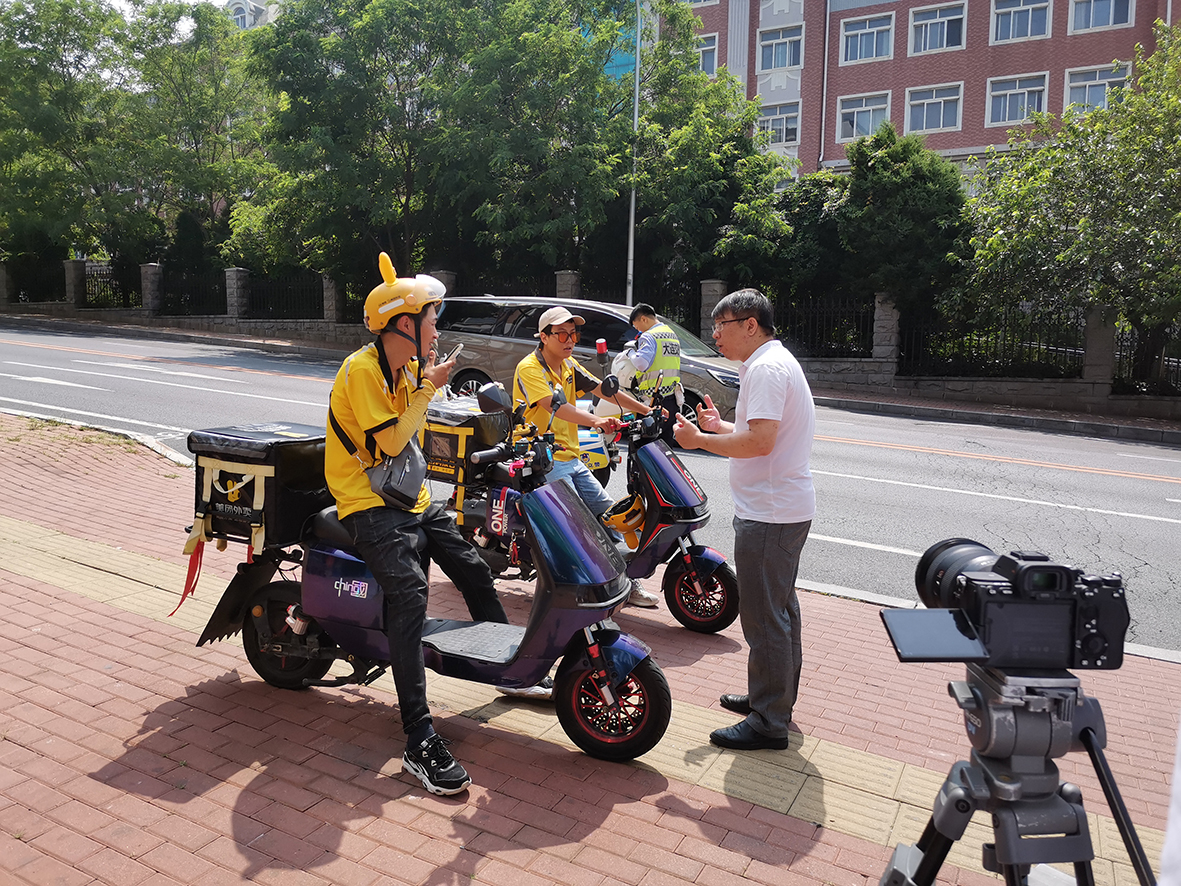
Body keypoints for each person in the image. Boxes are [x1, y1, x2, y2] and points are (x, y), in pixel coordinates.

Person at [325, 253, 540, 797]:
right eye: (432, 319)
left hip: (409, 496)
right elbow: (392, 440)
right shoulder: (363, 370)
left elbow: (418, 428)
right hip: (367, 501)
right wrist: (427, 387)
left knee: (474, 568)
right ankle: (418, 736)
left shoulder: (404, 368)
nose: (438, 330)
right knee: (410, 595)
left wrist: (431, 384)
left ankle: (507, 668)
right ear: (404, 324)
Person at [673, 289, 815, 751]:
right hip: (780, 509)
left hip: (769, 514)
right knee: (780, 609)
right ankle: (773, 701)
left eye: (722, 325)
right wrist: (719, 429)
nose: (715, 335)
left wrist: (698, 441)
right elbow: (757, 433)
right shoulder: (770, 363)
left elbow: (760, 443)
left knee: (765, 617)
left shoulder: (767, 369)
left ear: (750, 325)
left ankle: (769, 720)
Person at [512, 305, 661, 608]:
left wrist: (646, 409)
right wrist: (596, 421)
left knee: (611, 515)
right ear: (543, 336)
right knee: (579, 524)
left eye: (573, 333)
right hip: (541, 459)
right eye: (561, 334)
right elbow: (553, 406)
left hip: (570, 457)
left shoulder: (569, 366)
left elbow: (603, 389)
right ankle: (581, 588)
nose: (569, 340)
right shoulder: (530, 368)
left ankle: (626, 581)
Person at [628, 303, 682, 445]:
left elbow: (641, 363)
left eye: (637, 326)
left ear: (644, 319)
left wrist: (631, 353)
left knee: (644, 446)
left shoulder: (649, 336)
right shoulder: (671, 334)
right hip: (671, 397)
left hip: (652, 399)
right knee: (664, 446)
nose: (638, 330)